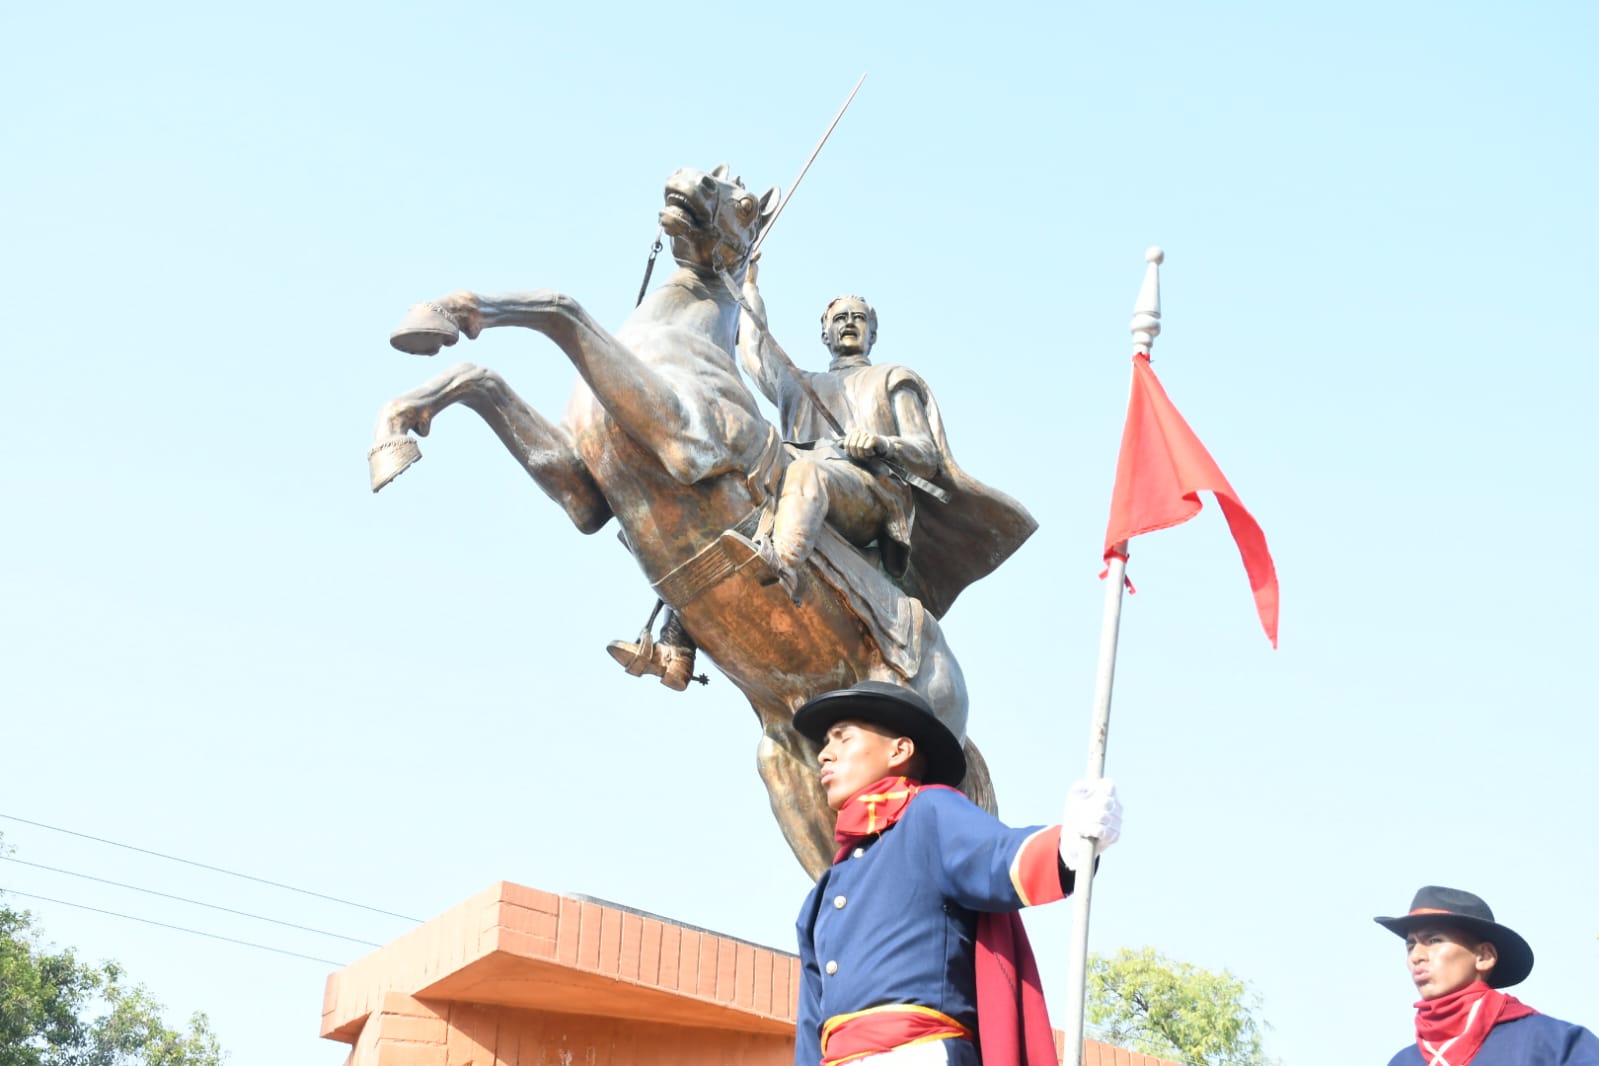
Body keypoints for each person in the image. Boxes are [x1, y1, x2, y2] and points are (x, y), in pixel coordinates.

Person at [791, 680, 1122, 1065]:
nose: (824, 755)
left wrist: (1071, 842)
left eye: (842, 739)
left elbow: (996, 858)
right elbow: (811, 1027)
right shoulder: (826, 890)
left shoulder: (928, 813)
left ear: (900, 750)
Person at [737, 264, 1035, 618]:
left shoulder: (892, 378)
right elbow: (755, 350)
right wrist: (747, 285)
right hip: (797, 479)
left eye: (858, 318)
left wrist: (883, 444)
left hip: (870, 495)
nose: (849, 323)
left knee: (806, 472)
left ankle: (781, 570)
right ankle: (676, 641)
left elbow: (926, 453)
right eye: (840, 318)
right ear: (825, 335)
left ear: (872, 334)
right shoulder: (798, 386)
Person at [1375, 885, 1599, 1065]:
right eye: (1411, 945)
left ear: (1484, 956)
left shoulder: (1552, 1042)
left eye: (1434, 941)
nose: (1417, 956)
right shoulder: (1404, 1062)